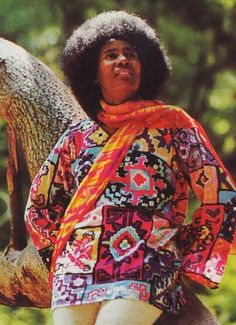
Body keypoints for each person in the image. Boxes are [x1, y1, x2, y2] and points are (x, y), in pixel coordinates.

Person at [24, 10, 236, 325]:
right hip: (76, 270)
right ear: (92, 72)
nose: (123, 60)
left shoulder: (173, 125)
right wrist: (64, 251)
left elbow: (223, 197)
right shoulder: (77, 137)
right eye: (111, 55)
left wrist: (184, 252)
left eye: (131, 54)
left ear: (144, 67)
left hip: (146, 261)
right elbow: (38, 208)